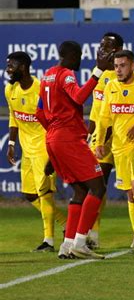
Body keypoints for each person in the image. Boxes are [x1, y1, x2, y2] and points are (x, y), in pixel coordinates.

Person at [36, 41, 109, 259]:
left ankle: (66, 245)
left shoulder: (47, 75)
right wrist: (98, 71)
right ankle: (80, 241)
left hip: (54, 138)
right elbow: (78, 96)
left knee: (80, 191)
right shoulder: (66, 74)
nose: (80, 61)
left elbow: (39, 112)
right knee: (98, 187)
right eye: (78, 56)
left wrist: (54, 136)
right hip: (68, 138)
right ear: (71, 54)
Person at [95, 50, 134, 255]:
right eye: (116, 66)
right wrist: (99, 142)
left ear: (133, 66)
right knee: (130, 193)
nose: (118, 69)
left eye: (123, 65)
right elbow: (104, 119)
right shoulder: (111, 86)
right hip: (119, 147)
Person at [5, 51, 66, 252]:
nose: (8, 70)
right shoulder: (10, 89)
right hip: (26, 149)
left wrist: (54, 150)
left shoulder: (42, 89)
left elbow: (54, 120)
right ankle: (67, 224)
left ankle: (48, 240)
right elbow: (14, 117)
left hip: (44, 148)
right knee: (30, 195)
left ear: (23, 67)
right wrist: (12, 144)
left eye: (11, 66)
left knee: (45, 193)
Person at [86, 31, 124, 249]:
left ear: (118, 49)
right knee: (96, 185)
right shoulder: (98, 72)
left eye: (108, 46)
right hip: (98, 138)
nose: (103, 50)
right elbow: (95, 110)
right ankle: (93, 233)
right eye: (101, 46)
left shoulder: (121, 76)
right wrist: (90, 134)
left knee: (131, 188)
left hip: (117, 137)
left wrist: (103, 139)